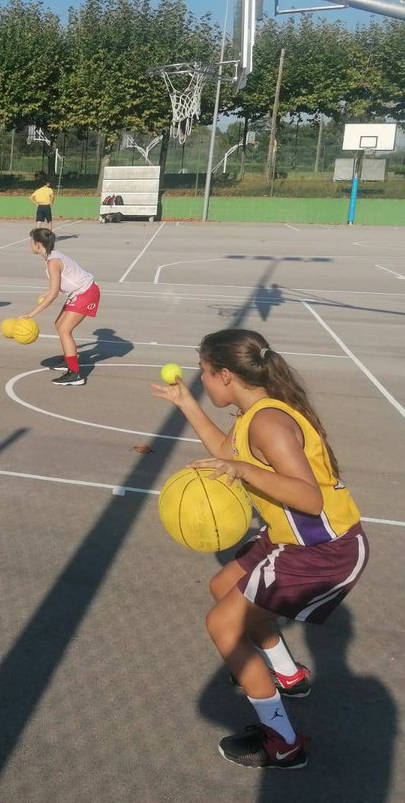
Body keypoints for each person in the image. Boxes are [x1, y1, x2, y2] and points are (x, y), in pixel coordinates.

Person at [151, 328, 368, 770]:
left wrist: (243, 470)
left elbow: (309, 498)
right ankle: (287, 674)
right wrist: (187, 404)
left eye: (204, 376)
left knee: (224, 626)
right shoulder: (253, 412)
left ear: (226, 375)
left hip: (323, 547)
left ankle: (283, 744)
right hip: (296, 537)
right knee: (223, 585)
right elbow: (225, 451)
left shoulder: (269, 421)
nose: (203, 382)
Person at [19, 227, 99, 386]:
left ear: (37, 244)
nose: (30, 244)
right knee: (59, 325)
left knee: (64, 330)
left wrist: (31, 314)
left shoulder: (53, 262)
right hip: (79, 293)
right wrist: (47, 292)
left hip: (86, 293)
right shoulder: (53, 256)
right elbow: (59, 284)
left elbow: (54, 294)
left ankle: (75, 374)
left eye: (31, 241)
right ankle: (69, 359)